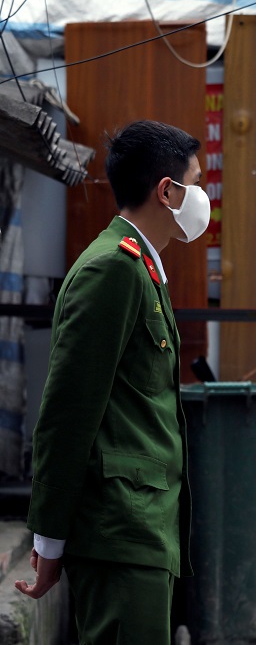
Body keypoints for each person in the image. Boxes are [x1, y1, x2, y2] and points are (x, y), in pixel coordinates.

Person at [14, 120, 210, 644]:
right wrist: (49, 539)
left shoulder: (142, 267)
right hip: (120, 527)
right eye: (196, 181)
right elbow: (67, 413)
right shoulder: (114, 270)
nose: (203, 196)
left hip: (143, 527)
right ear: (167, 191)